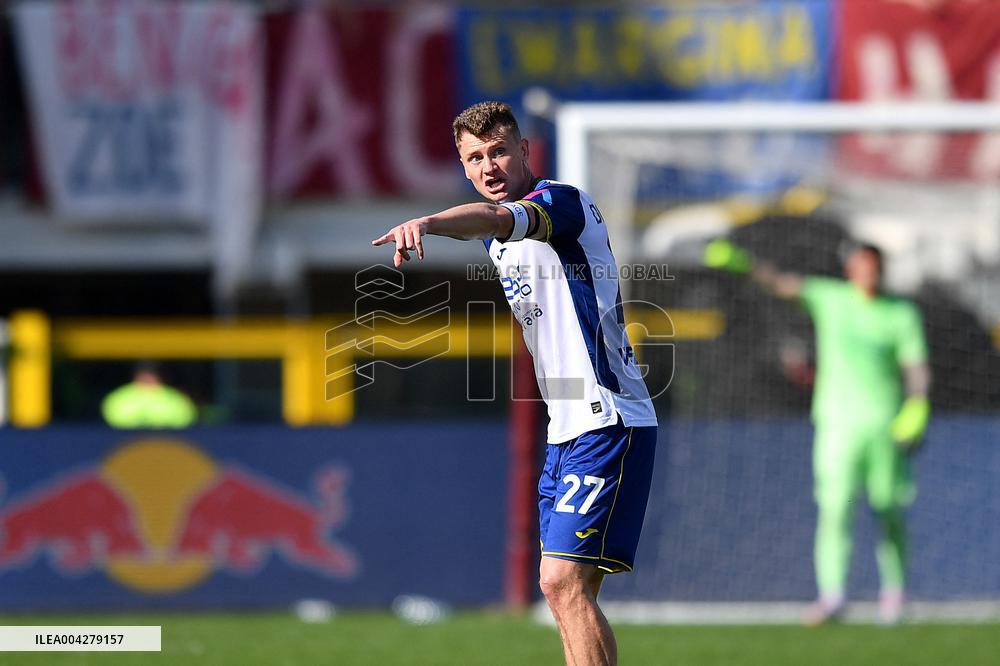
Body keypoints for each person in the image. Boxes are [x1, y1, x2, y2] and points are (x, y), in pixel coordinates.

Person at [373, 101, 658, 665]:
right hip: (565, 429)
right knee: (567, 592)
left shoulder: (561, 204)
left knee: (560, 581)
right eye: (475, 158)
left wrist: (428, 223)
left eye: (499, 151)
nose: (489, 167)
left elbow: (495, 218)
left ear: (525, 151)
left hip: (608, 417)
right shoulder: (496, 236)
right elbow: (491, 224)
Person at [705, 238, 931, 624]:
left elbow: (916, 365)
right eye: (862, 265)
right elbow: (780, 283)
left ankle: (894, 595)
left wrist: (918, 404)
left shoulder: (901, 313)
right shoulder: (831, 299)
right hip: (837, 425)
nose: (869, 272)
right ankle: (833, 595)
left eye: (874, 265)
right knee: (835, 508)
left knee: (888, 509)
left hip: (885, 426)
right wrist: (745, 262)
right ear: (850, 269)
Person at [101, 361, 198, 429]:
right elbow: (112, 421)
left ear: (159, 377)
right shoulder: (119, 397)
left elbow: (186, 420)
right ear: (136, 377)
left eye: (151, 376)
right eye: (144, 376)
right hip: (126, 443)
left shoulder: (174, 398)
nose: (147, 379)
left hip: (165, 443)